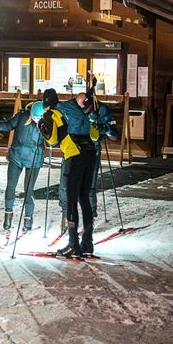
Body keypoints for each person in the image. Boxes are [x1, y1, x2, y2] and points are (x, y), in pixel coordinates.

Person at [38, 87, 96, 257]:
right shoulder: (71, 108)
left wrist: (41, 127)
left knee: (71, 199)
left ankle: (73, 245)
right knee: (84, 197)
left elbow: (53, 139)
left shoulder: (52, 113)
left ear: (45, 102)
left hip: (74, 154)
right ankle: (87, 243)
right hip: (90, 152)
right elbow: (94, 134)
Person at [58, 82, 120, 227]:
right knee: (65, 183)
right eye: (80, 106)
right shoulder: (67, 106)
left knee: (89, 185)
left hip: (92, 151)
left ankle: (90, 218)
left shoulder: (100, 109)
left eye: (86, 108)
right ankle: (66, 215)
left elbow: (114, 134)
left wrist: (103, 128)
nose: (84, 110)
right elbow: (53, 110)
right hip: (71, 150)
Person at [0, 101, 45, 233]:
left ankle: (28, 217)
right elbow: (9, 124)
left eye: (39, 118)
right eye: (34, 117)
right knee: (11, 185)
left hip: (34, 158)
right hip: (17, 156)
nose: (36, 120)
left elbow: (53, 140)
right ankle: (8, 214)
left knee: (28, 189)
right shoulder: (22, 116)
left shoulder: (47, 122)